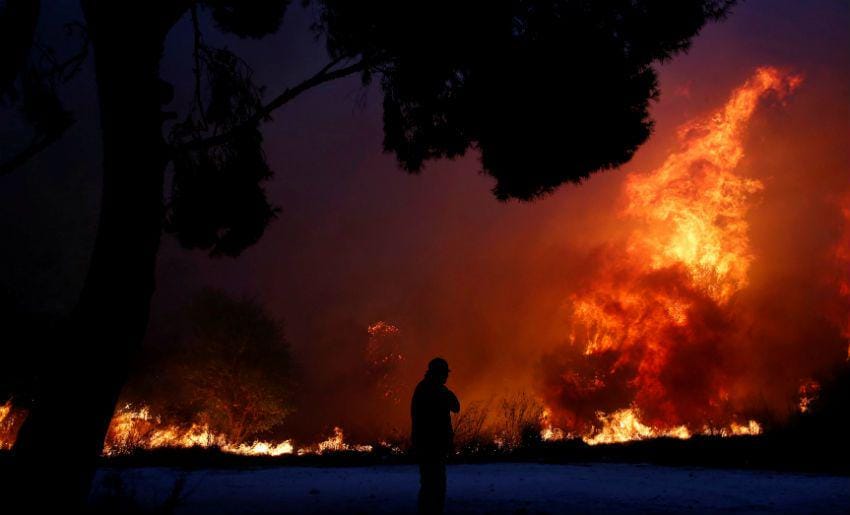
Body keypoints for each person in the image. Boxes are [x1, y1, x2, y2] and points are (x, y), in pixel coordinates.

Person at [411, 357, 460, 514]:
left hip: (428, 446)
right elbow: (456, 406)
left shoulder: (422, 388)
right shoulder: (436, 391)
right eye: (444, 373)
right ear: (437, 373)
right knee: (435, 486)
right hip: (432, 447)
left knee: (429, 485)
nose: (446, 376)